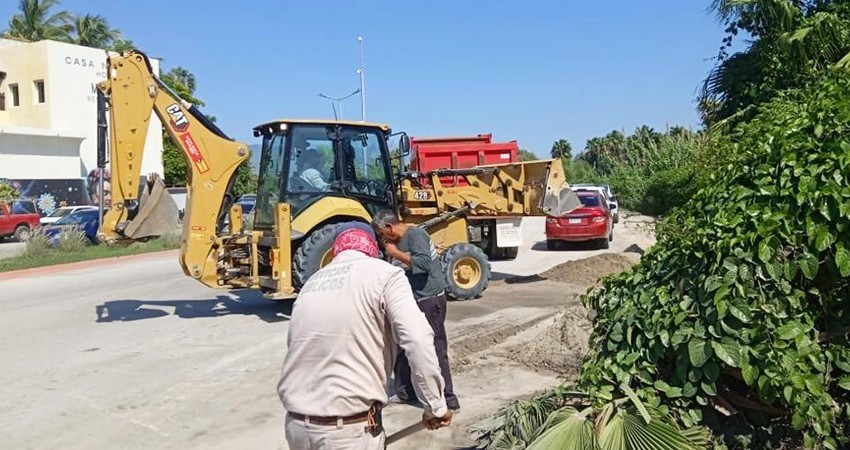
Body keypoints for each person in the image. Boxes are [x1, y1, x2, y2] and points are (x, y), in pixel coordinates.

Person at [278, 223, 452, 449]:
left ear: (336, 248)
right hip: (348, 431)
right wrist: (436, 406)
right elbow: (417, 339)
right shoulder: (386, 275)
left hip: (296, 426)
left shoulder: (311, 283)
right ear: (373, 245)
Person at [370, 209, 461, 412]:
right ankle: (405, 392)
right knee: (402, 344)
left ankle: (448, 399)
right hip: (410, 299)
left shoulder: (416, 235)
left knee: (435, 347)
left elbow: (424, 263)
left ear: (389, 227)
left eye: (382, 234)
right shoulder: (396, 240)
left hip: (429, 298)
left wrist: (395, 254)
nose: (382, 239)